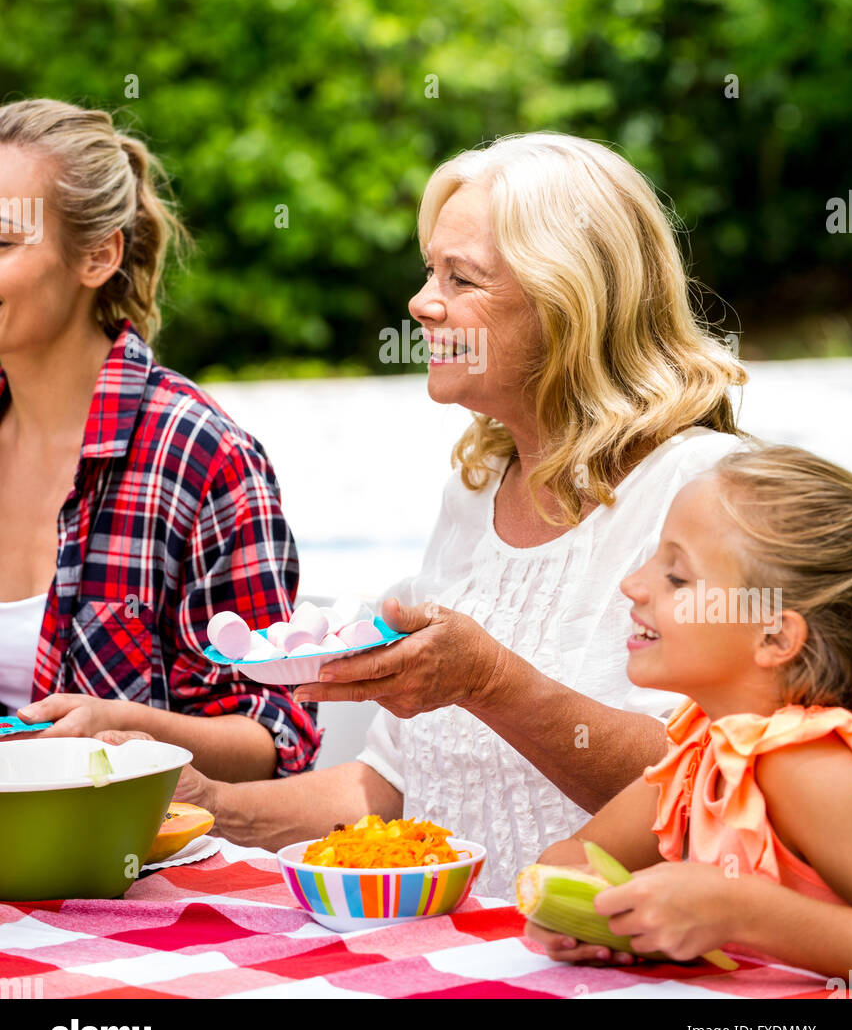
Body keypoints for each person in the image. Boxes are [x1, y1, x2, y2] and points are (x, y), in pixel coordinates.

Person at [175, 132, 749, 894]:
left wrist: (490, 683)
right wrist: (204, 807)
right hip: (456, 955)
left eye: (461, 277)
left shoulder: (701, 490)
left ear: (567, 300)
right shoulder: (478, 489)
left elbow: (707, 789)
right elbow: (390, 789)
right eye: (428, 271)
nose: (420, 302)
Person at [0, 99, 319, 780]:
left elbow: (277, 738)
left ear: (98, 257)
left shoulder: (203, 456)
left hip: (131, 875)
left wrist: (127, 728)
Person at [523, 444, 852, 980]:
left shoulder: (811, 765)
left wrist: (741, 911)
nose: (633, 584)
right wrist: (582, 912)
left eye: (677, 578)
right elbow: (578, 854)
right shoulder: (704, 752)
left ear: (773, 635)